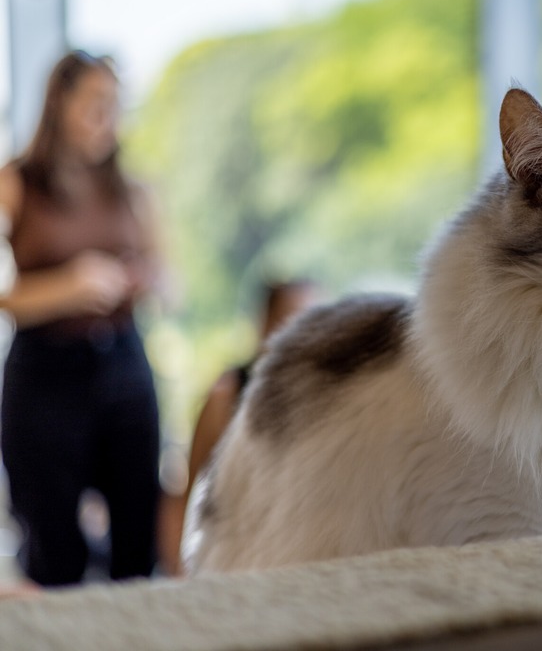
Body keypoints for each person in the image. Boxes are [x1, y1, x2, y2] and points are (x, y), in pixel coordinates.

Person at [0, 51, 165, 586]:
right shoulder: (15, 183)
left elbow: (172, 281)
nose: (108, 118)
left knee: (137, 546)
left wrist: (137, 282)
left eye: (115, 106)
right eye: (95, 104)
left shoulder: (133, 190)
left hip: (123, 364)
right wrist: (69, 287)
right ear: (59, 105)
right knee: (55, 552)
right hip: (43, 375)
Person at [160, 279, 316, 575]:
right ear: (265, 323)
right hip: (232, 557)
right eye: (293, 320)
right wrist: (177, 570)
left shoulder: (321, 400)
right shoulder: (225, 396)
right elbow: (184, 489)